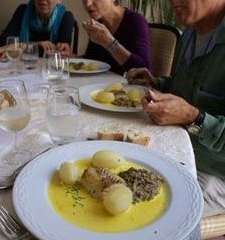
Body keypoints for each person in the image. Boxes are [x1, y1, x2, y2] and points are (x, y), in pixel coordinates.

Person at [127, 0, 225, 219]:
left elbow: (192, 110)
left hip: (214, 173)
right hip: (173, 150)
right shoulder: (190, 33)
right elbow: (187, 90)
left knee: (138, 214)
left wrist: (194, 118)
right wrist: (158, 83)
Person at [82, 0, 152, 75]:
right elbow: (90, 61)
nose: (88, 4)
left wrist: (109, 42)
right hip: (99, 84)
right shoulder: (98, 23)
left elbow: (145, 72)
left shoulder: (136, 21)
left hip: (125, 86)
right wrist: (69, 58)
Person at [0, 0, 74, 58]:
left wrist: (21, 46)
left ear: (59, 0)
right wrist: (37, 45)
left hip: (49, 72)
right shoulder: (22, 11)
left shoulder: (66, 17)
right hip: (20, 69)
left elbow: (61, 54)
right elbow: (2, 44)